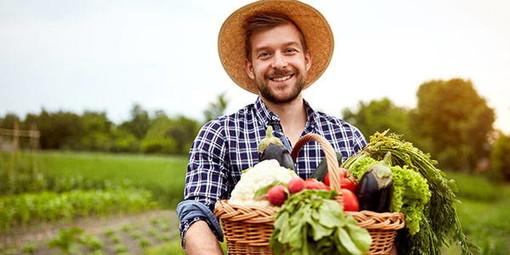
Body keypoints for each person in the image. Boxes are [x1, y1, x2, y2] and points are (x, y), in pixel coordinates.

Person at [177, 0, 366, 254]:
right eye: (265, 54)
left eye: (289, 50)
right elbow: (196, 216)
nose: (279, 63)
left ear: (306, 59)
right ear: (250, 67)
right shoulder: (219, 134)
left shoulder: (348, 138)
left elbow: (375, 221)